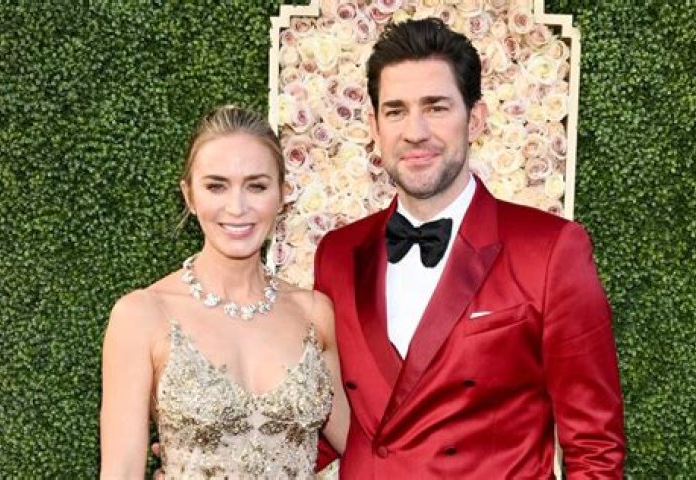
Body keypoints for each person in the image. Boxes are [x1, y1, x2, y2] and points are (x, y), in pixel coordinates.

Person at [314, 18, 625, 478]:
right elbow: (321, 420)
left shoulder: (551, 250)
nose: (415, 131)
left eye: (436, 107)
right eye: (396, 111)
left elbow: (595, 448)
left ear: (475, 119)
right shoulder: (337, 254)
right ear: (374, 126)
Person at [100, 105, 349, 479]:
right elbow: (120, 471)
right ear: (189, 195)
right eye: (216, 186)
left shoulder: (313, 313)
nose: (237, 207)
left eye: (256, 186)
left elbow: (365, 449)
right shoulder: (142, 315)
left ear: (283, 194)